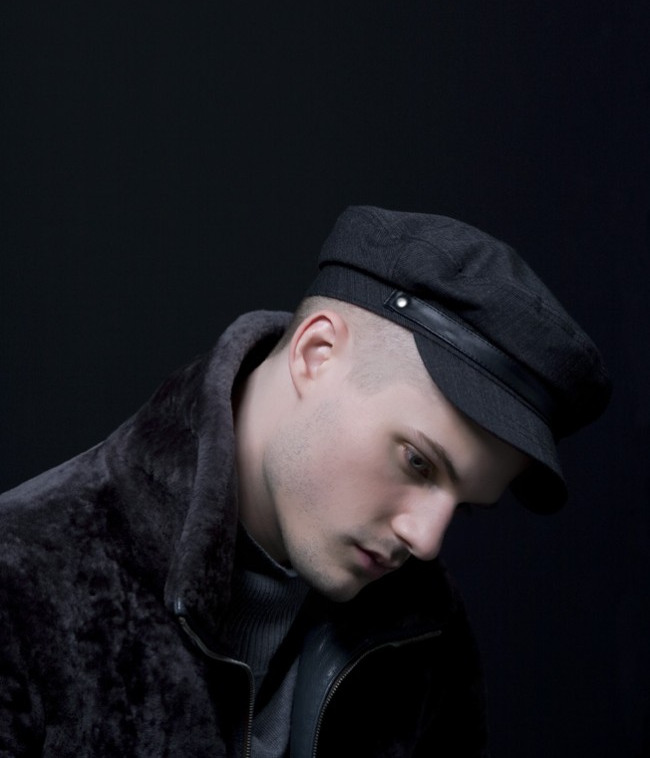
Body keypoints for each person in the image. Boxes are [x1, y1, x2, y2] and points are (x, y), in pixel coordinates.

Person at [0, 206, 610, 757]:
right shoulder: (24, 588)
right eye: (418, 463)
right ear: (316, 353)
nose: (426, 541)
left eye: (465, 506)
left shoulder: (426, 629)